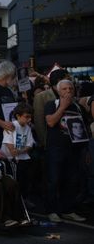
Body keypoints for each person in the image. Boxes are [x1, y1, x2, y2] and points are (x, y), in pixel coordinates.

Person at [44, 79, 88, 223]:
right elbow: (50, 122)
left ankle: (68, 209)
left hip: (74, 148)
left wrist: (85, 150)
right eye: (64, 89)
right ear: (58, 91)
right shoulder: (52, 105)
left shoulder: (78, 107)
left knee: (72, 181)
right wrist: (62, 107)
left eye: (70, 89)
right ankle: (52, 210)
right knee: (54, 179)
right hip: (56, 148)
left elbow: (85, 129)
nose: (68, 91)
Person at [1, 102, 35, 196]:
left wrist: (20, 151)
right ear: (18, 116)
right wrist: (22, 150)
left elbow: (30, 145)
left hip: (22, 158)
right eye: (26, 117)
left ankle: (25, 198)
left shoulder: (27, 128)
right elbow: (12, 150)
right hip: (10, 160)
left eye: (30, 117)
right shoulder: (11, 127)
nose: (29, 119)